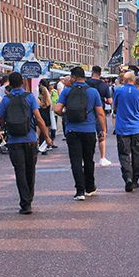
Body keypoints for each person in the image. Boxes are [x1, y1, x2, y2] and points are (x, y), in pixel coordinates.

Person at [0, 72, 50, 214]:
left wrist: (5, 127)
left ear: (10, 84)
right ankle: (29, 199)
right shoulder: (30, 97)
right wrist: (46, 136)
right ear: (22, 83)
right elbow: (38, 119)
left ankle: (25, 203)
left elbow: (1, 120)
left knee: (19, 171)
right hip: (30, 139)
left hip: (14, 141)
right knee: (30, 170)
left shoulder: (6, 99)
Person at [54, 67, 106, 201]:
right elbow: (100, 113)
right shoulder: (93, 92)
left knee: (76, 160)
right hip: (89, 130)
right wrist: (103, 130)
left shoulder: (67, 91)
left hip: (72, 130)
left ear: (74, 78)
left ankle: (79, 191)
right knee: (88, 159)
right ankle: (90, 187)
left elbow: (57, 109)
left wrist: (66, 115)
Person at [113, 72, 139, 192]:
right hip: (136, 128)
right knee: (136, 153)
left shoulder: (118, 91)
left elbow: (114, 108)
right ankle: (135, 180)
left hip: (122, 128)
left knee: (124, 154)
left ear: (126, 79)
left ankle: (127, 177)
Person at [86, 66, 113, 166]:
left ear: (92, 73)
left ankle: (88, 158)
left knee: (88, 136)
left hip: (87, 112)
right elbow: (110, 101)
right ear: (100, 74)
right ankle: (102, 158)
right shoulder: (104, 85)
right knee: (101, 134)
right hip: (99, 111)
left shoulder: (86, 84)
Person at [37, 80, 55, 150]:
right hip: (47, 118)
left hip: (40, 117)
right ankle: (45, 148)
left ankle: (37, 146)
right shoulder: (48, 100)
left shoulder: (38, 100)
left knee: (38, 133)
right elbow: (52, 108)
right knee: (46, 133)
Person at [48, 81, 59, 146]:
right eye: (51, 85)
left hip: (54, 113)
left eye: (53, 85)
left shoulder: (55, 93)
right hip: (48, 113)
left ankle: (53, 141)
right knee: (48, 128)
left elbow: (58, 101)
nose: (52, 86)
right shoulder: (46, 93)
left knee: (53, 128)